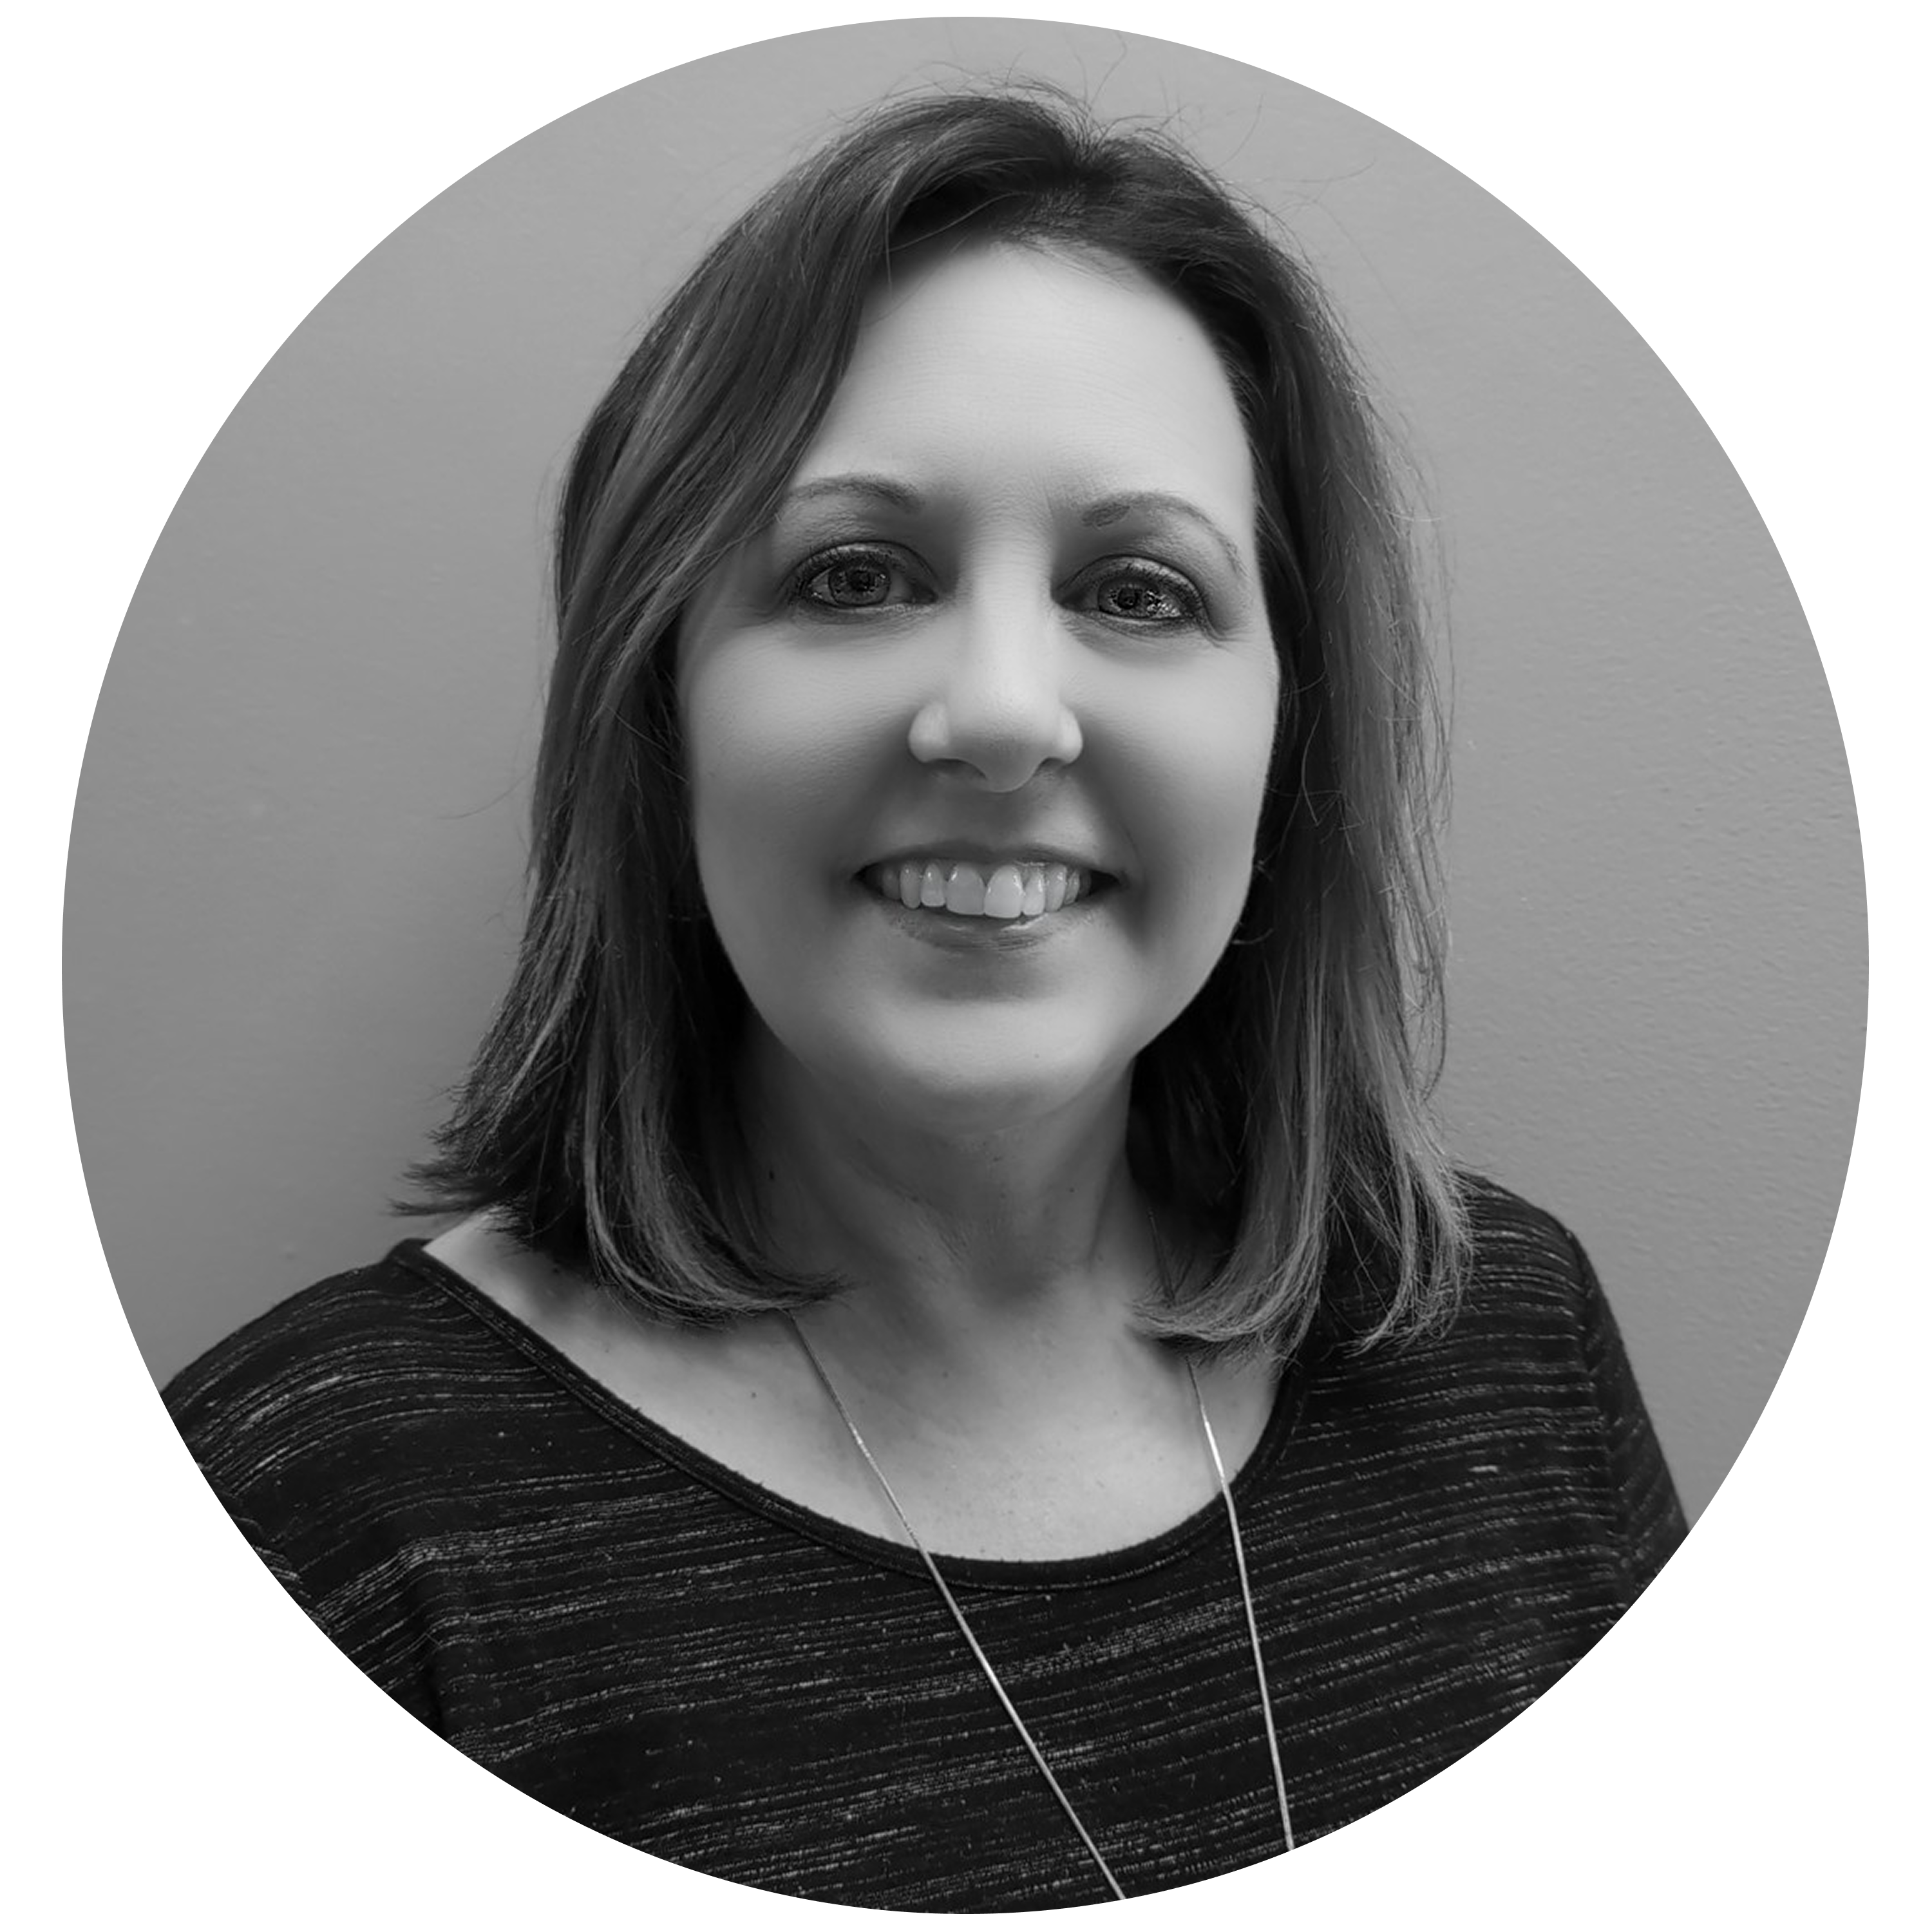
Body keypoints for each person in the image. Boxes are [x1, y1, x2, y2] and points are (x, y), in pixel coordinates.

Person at [162, 79, 1686, 1909]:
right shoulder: (320, 1513)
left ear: (1287, 743)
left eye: (1138, 590)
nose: (999, 711)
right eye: (856, 574)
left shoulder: (1500, 1342)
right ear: (660, 717)